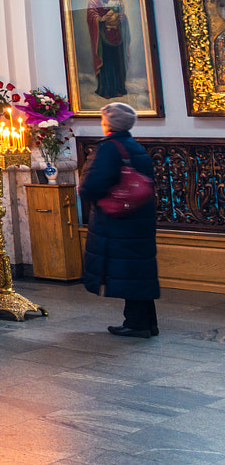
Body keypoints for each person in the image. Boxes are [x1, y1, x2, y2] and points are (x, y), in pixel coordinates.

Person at [79, 101, 159, 337]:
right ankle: (146, 323)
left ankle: (136, 324)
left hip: (118, 220)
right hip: (138, 217)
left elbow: (91, 186)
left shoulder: (108, 148)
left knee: (128, 270)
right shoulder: (134, 146)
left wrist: (87, 192)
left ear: (107, 124)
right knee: (137, 271)